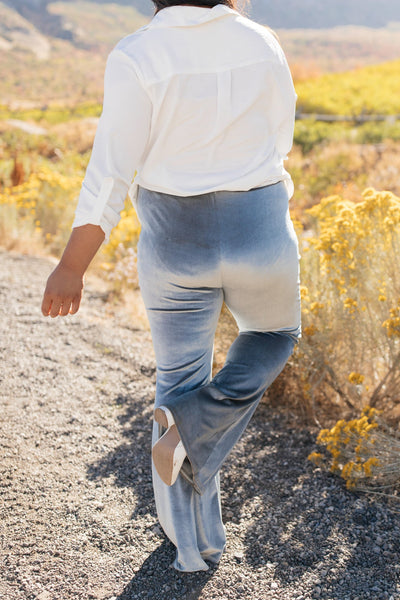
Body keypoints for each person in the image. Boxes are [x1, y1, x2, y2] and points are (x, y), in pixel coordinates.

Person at [41, 0, 301, 573]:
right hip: (259, 226)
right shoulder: (262, 41)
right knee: (276, 334)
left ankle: (194, 549)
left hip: (174, 236)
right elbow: (280, 139)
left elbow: (111, 170)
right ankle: (191, 425)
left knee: (179, 381)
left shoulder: (136, 53)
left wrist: (72, 267)